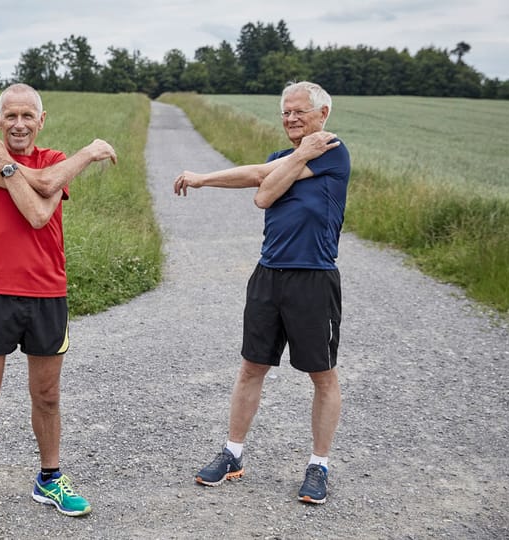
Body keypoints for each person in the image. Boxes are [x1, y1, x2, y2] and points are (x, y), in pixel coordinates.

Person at [0, 83, 118, 533]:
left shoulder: (50, 159)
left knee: (48, 396)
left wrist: (31, 167)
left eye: (28, 116)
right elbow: (39, 212)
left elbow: (44, 184)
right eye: (11, 116)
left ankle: (49, 480)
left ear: (41, 121)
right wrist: (91, 152)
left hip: (48, 293)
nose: (19, 124)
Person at [173, 81, 351, 505]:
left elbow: (264, 193)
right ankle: (233, 454)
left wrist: (305, 152)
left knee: (322, 376)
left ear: (323, 115)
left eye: (299, 112)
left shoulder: (332, 150)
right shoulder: (286, 157)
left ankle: (319, 465)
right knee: (252, 367)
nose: (290, 118)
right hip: (268, 276)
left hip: (314, 278)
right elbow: (256, 173)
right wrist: (200, 179)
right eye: (285, 112)